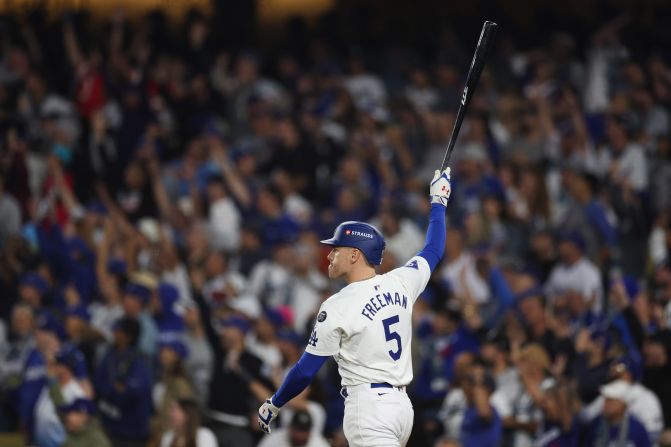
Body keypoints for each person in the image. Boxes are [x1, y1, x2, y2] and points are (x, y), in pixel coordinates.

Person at [258, 168, 452, 446]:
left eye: (336, 249)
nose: (330, 255)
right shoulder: (401, 281)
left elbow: (305, 370)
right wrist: (438, 203)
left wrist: (275, 403)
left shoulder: (337, 305)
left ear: (354, 254)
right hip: (401, 409)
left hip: (369, 407)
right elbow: (433, 249)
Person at [582, 380, 651, 447]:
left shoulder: (637, 429)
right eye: (606, 400)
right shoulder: (596, 424)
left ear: (623, 404)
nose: (606, 404)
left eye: (611, 400)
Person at [257, 409, 329, 447]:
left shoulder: (319, 444)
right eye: (298, 430)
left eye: (304, 431)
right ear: (290, 428)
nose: (301, 435)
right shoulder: (275, 437)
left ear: (310, 432)